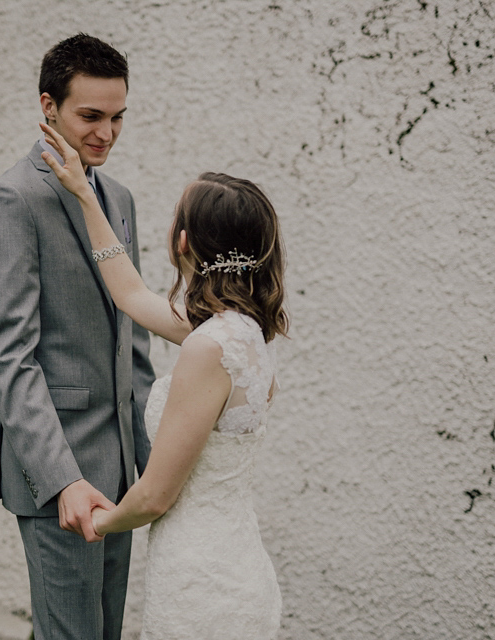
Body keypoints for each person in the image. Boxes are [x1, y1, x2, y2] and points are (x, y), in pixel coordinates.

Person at [41, 121, 289, 639]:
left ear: (182, 240)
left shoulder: (206, 346)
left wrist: (95, 522)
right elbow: (130, 294)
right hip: (238, 567)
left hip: (200, 584)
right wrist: (87, 195)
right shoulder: (244, 334)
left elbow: (155, 495)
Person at [0, 34, 156, 640]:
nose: (107, 132)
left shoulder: (118, 198)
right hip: (59, 476)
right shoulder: (12, 199)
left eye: (118, 116)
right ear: (48, 106)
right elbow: (10, 360)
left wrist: (148, 461)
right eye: (91, 117)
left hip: (123, 472)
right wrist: (62, 480)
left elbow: (133, 344)